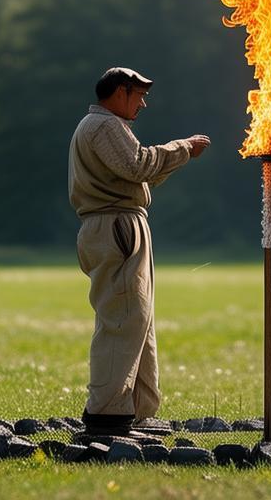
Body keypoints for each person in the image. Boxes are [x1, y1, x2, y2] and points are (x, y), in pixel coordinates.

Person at [68, 67, 210, 436]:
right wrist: (182, 148)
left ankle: (136, 409)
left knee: (138, 319)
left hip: (118, 225)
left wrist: (178, 157)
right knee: (123, 318)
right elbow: (138, 165)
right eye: (139, 93)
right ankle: (106, 414)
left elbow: (136, 174)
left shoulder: (103, 127)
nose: (143, 102)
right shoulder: (105, 126)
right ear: (119, 92)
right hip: (117, 227)